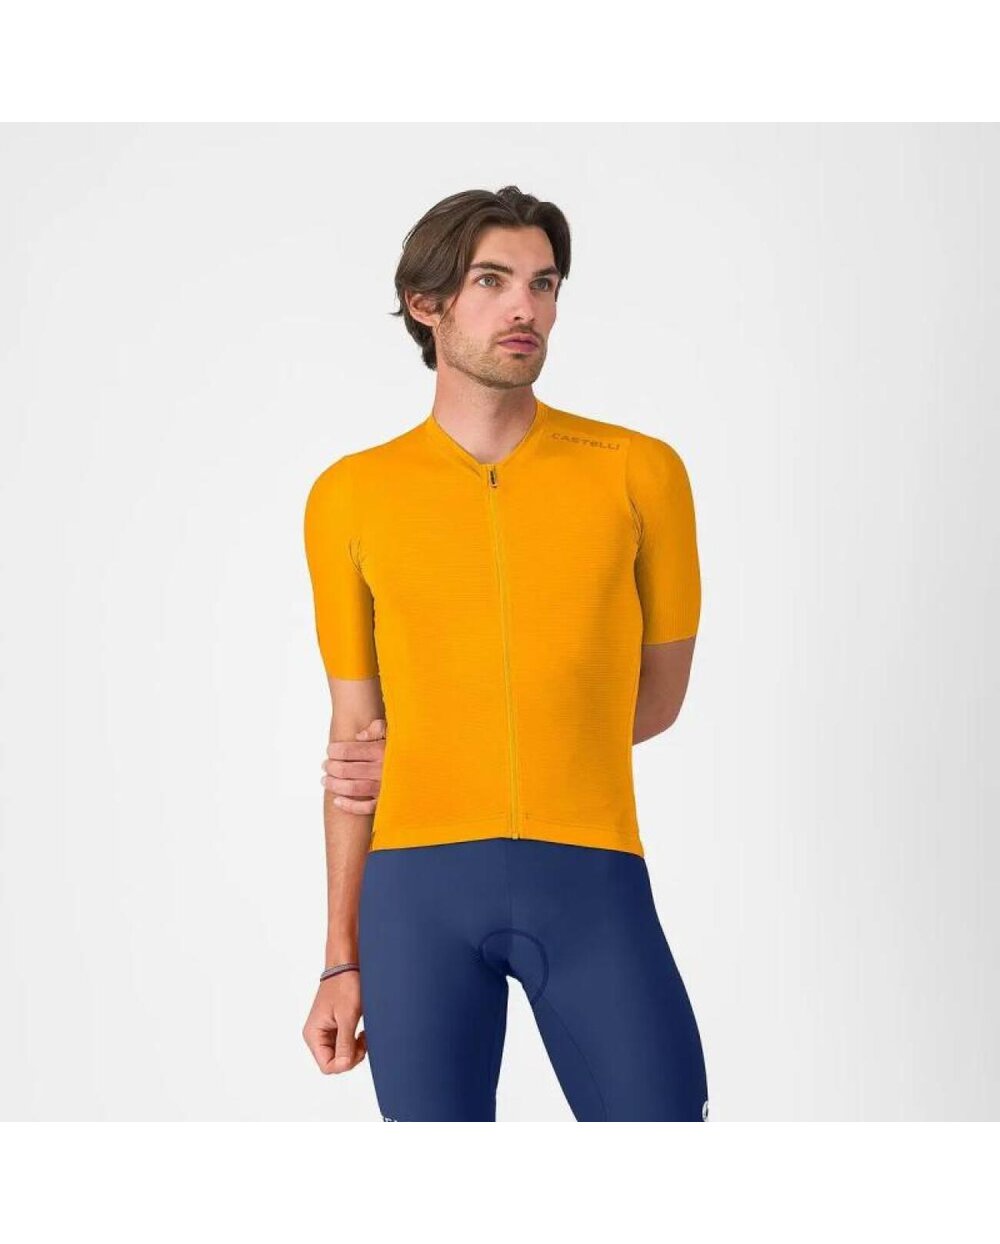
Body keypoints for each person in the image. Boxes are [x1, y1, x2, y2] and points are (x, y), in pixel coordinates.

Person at [301, 185, 709, 1121]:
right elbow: (356, 740)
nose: (525, 306)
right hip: (414, 897)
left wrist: (456, 744)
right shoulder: (350, 496)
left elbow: (655, 698)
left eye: (543, 283)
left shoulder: (639, 472)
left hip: (593, 879)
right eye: (491, 281)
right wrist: (338, 958)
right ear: (426, 304)